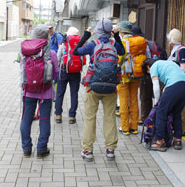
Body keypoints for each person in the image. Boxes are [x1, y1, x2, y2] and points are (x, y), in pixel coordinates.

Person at [73, 19, 125, 162]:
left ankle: (88, 150)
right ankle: (110, 150)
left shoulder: (92, 45)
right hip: (111, 86)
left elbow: (76, 51)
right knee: (109, 118)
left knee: (90, 118)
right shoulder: (114, 44)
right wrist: (116, 36)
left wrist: (86, 35)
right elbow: (122, 52)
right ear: (110, 31)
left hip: (93, 86)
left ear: (97, 31)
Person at [20, 24, 59, 159]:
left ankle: (26, 149)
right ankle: (41, 149)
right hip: (46, 92)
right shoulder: (51, 53)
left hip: (28, 91)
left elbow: (22, 70)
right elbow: (56, 72)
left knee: (26, 119)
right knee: (44, 119)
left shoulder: (24, 51)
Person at [142, 58, 185, 151]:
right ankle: (177, 140)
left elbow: (156, 88)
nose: (149, 73)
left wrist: (156, 103)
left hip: (175, 85)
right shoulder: (168, 63)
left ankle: (159, 141)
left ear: (148, 67)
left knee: (161, 111)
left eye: (147, 71)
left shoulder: (154, 67)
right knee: (177, 113)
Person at [117, 21, 149, 136]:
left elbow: (119, 59)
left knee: (124, 101)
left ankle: (125, 128)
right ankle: (134, 127)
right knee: (134, 99)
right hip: (137, 74)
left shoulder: (123, 43)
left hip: (124, 76)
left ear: (121, 31)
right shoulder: (140, 41)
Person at [131, 25, 167, 123]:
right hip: (158, 72)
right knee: (157, 96)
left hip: (146, 73)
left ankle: (145, 118)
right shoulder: (152, 43)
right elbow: (164, 56)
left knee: (145, 97)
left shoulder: (136, 44)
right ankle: (156, 118)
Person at [55, 27, 83, 124]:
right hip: (76, 72)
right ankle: (72, 116)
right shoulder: (80, 44)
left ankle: (58, 115)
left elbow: (58, 57)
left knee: (59, 93)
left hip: (64, 70)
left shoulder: (64, 43)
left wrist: (59, 65)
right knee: (74, 94)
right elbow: (83, 60)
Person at [167, 28, 185, 136]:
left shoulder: (182, 50)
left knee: (181, 106)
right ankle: (178, 128)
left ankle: (182, 129)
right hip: (176, 81)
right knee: (178, 105)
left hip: (180, 81)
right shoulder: (177, 49)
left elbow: (183, 68)